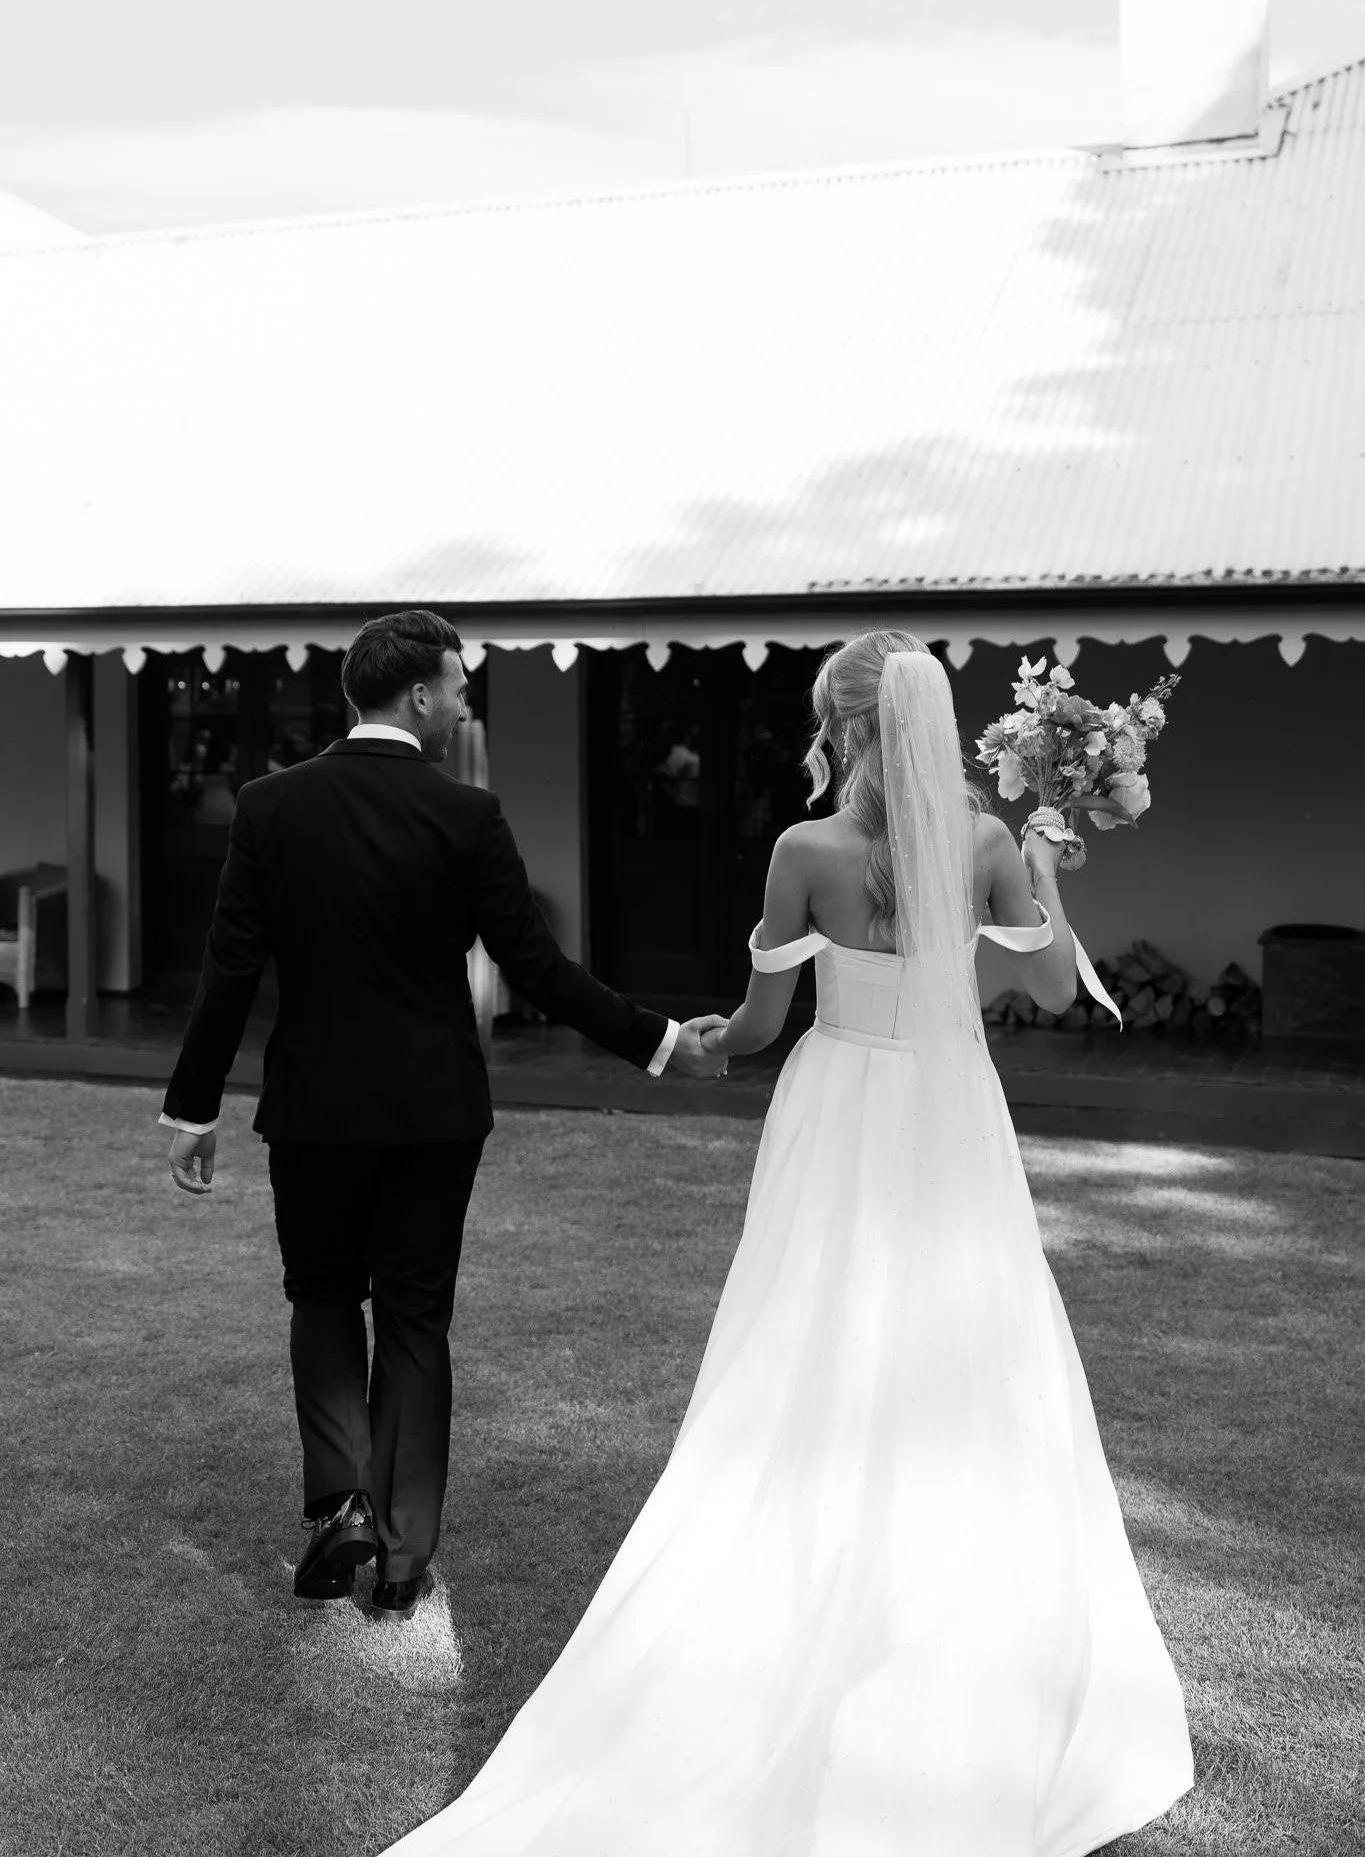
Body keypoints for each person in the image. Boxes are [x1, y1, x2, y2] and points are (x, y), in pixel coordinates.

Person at [384, 630, 1193, 1855]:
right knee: (957, 1343)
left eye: (826, 720)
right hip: (951, 1110)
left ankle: (815, 1564)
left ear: (855, 729)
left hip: (838, 1111)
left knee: (811, 1337)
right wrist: (1045, 865)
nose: (818, 740)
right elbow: (1046, 995)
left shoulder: (804, 851)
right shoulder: (980, 844)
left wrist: (701, 1036)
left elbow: (762, 1025)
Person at [159, 610, 727, 1621]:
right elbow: (538, 967)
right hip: (433, 1108)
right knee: (415, 1317)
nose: (468, 696)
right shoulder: (467, 815)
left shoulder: (267, 805)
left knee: (324, 1296)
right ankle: (403, 1552)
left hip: (316, 1107)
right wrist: (657, 1038)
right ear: (419, 695)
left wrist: (192, 1106)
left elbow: (231, 968)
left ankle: (342, 1506)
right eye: (459, 682)